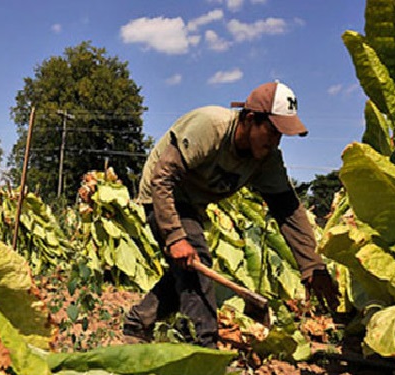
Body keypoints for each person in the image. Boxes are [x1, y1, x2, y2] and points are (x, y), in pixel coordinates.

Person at [123, 80, 338, 347]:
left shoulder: (266, 161)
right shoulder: (211, 127)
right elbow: (163, 177)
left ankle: (137, 322)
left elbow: (288, 209)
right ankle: (207, 351)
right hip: (164, 193)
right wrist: (175, 236)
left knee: (189, 266)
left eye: (281, 135)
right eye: (272, 132)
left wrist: (312, 266)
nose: (275, 142)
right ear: (250, 119)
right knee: (195, 260)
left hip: (192, 204)